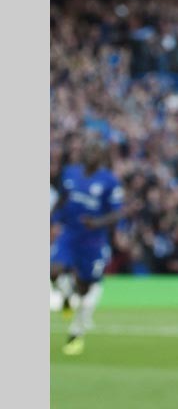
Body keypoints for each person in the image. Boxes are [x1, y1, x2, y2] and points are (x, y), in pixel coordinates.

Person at [50, 139, 124, 355]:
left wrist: (97, 222)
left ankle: (76, 331)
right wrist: (52, 218)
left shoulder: (110, 181)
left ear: (101, 156)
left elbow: (117, 213)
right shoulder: (70, 173)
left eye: (95, 150)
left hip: (93, 240)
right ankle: (66, 294)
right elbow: (63, 198)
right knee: (53, 271)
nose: (91, 154)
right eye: (88, 150)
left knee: (85, 287)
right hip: (69, 234)